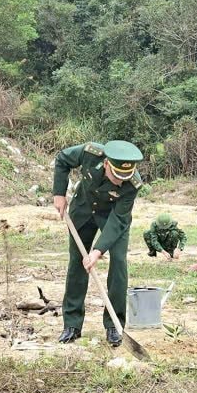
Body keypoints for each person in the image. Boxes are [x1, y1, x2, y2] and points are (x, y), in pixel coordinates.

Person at [52, 140, 144, 347]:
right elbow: (62, 160)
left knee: (119, 263)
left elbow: (119, 220)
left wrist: (97, 251)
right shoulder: (90, 153)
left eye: (125, 178)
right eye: (117, 176)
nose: (120, 182)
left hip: (113, 218)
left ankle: (114, 325)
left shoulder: (132, 184)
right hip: (83, 210)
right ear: (106, 165)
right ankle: (72, 324)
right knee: (77, 263)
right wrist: (59, 194)